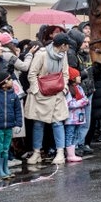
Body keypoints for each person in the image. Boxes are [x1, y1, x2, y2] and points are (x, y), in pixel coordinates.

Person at [25, 33, 72, 166]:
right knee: (38, 123)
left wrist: (64, 88)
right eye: (67, 45)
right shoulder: (42, 54)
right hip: (41, 93)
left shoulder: (63, 55)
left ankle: (60, 152)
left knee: (58, 122)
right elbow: (32, 73)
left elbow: (65, 73)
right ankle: (36, 152)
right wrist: (36, 90)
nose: (68, 47)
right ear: (63, 45)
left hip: (57, 92)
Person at [63, 67, 88, 163]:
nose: (80, 77)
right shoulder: (69, 90)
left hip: (79, 117)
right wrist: (82, 102)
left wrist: (84, 101)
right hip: (71, 118)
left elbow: (85, 98)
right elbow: (69, 104)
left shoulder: (79, 88)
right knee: (69, 134)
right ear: (73, 78)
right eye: (78, 76)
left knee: (76, 135)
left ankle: (72, 153)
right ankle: (69, 154)